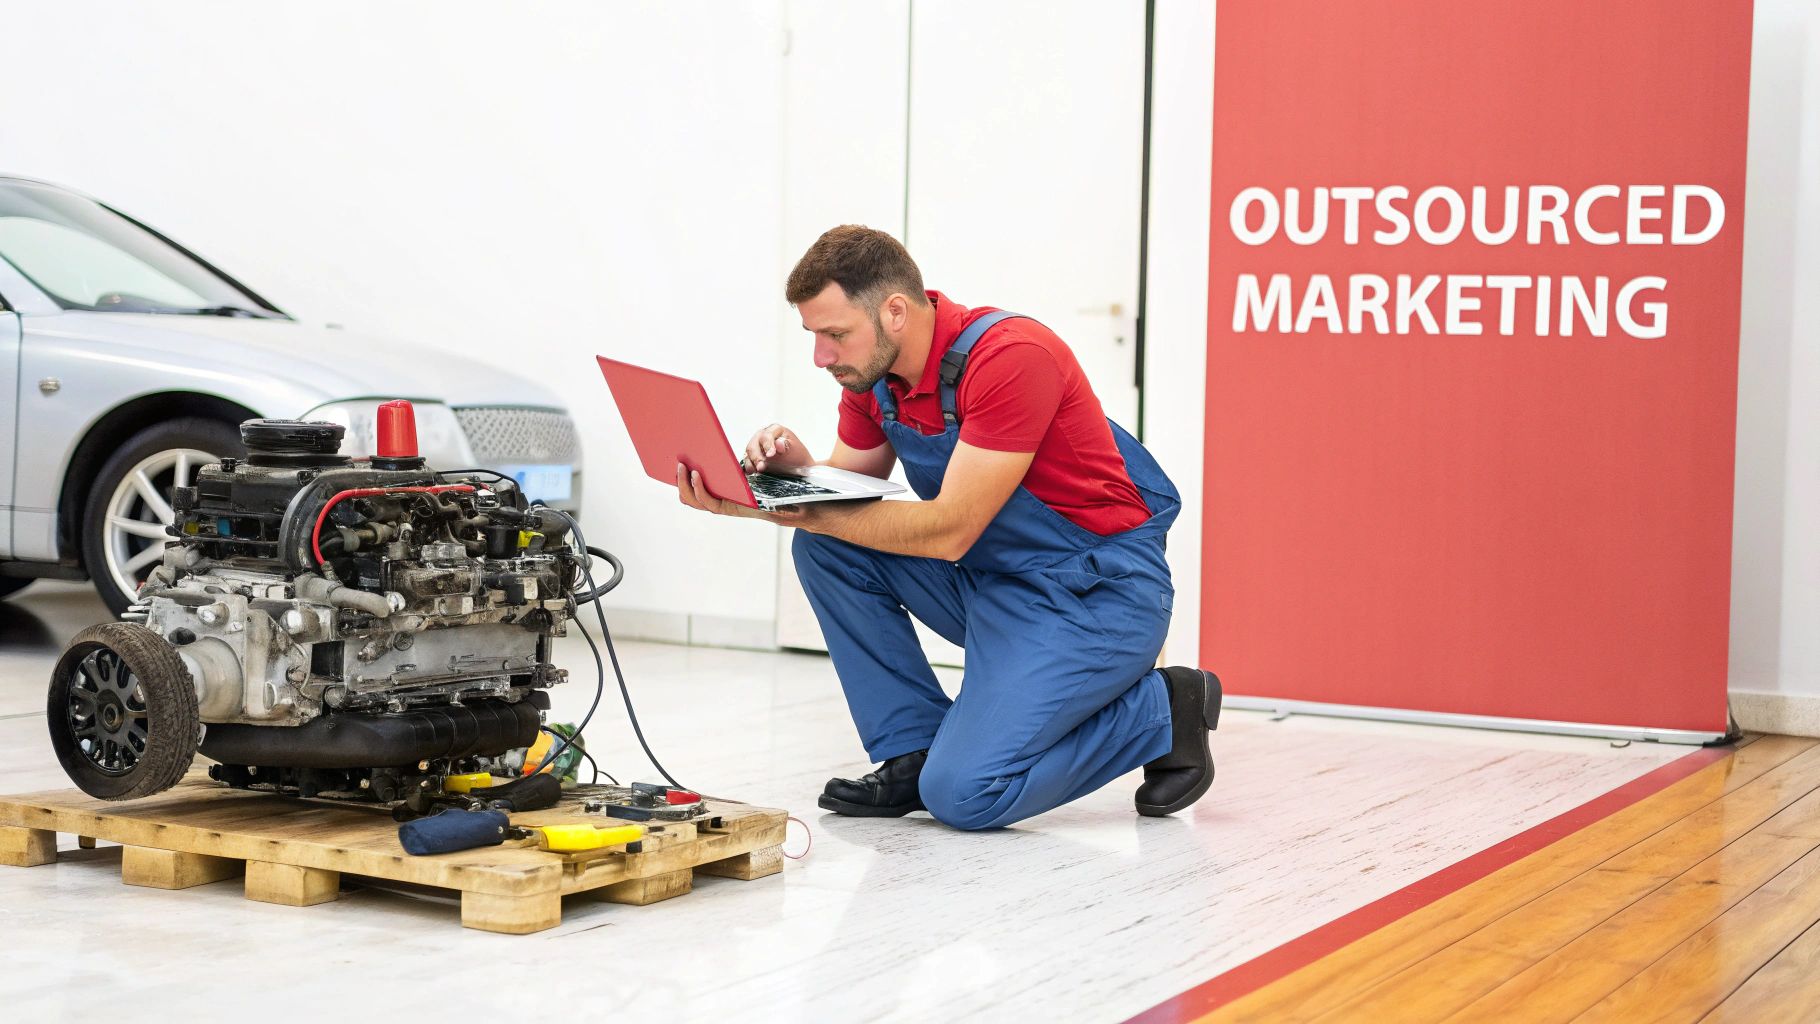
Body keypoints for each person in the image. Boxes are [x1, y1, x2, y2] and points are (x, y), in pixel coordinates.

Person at [674, 225, 1220, 830]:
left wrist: (786, 507)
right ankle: (912, 748)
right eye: (814, 336)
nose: (821, 357)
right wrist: (791, 475)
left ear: (895, 312)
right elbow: (847, 491)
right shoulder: (872, 375)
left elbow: (950, 531)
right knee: (826, 546)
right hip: (993, 584)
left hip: (1093, 599)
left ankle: (1164, 709)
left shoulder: (1012, 358)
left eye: (835, 335)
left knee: (966, 794)